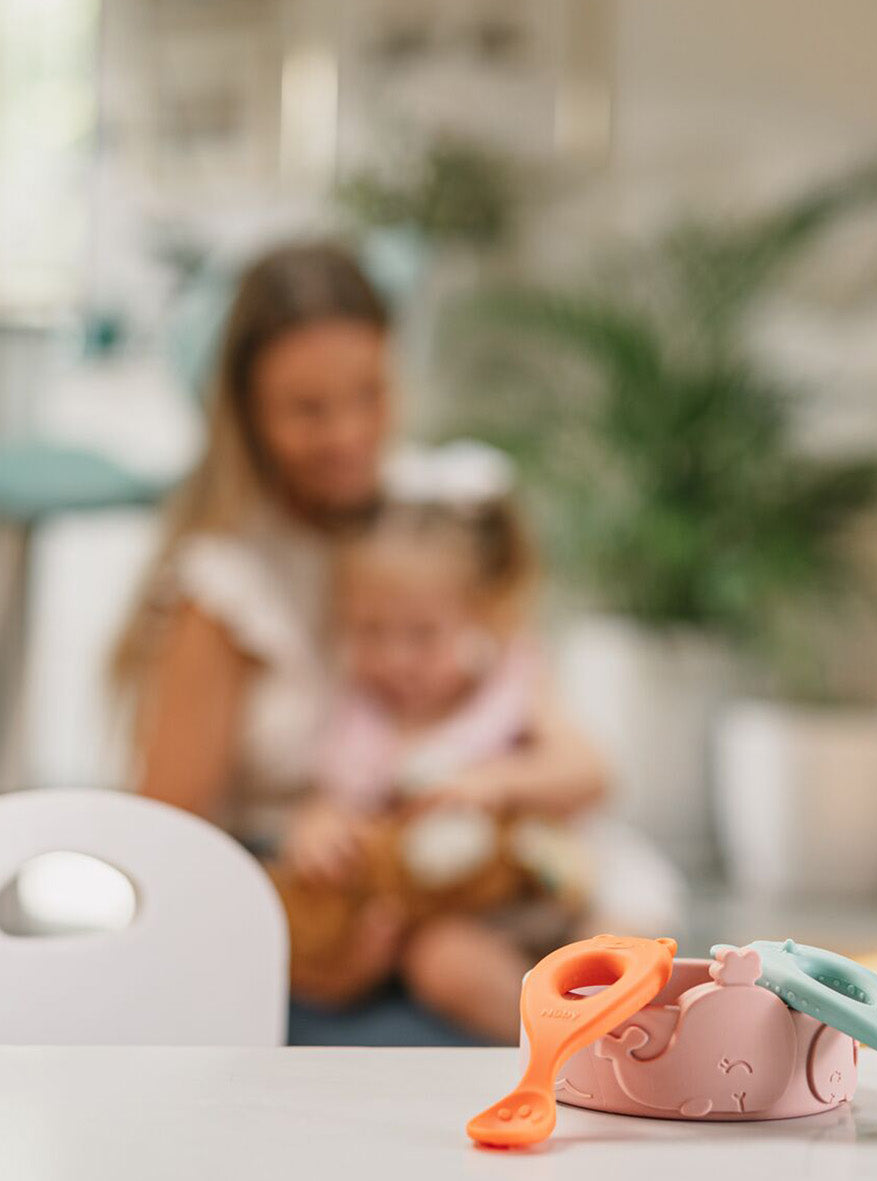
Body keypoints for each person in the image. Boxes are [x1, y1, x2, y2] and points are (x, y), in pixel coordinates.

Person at [111, 243, 610, 1036]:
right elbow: (167, 853)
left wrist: (491, 796)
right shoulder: (225, 585)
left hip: (461, 895)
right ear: (248, 415)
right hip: (302, 927)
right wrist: (317, 953)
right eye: (308, 410)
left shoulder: (434, 526)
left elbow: (561, 747)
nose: (347, 433)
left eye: (369, 394)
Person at [276, 446, 602, 1039]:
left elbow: (590, 773)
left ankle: (634, 1033)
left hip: (553, 888)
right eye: (371, 632)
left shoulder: (511, 683)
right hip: (452, 916)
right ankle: (564, 1051)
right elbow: (335, 804)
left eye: (423, 635)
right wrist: (318, 829)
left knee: (620, 939)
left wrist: (494, 782)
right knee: (439, 963)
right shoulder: (361, 716)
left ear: (480, 615)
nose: (396, 659)